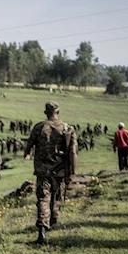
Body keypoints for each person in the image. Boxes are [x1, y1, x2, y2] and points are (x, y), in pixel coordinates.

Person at [24, 102, 77, 244]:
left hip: (43, 170)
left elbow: (29, 145)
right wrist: (72, 173)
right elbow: (72, 153)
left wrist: (27, 154)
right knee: (56, 196)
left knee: (43, 198)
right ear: (58, 112)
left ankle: (42, 228)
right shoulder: (68, 129)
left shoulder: (39, 127)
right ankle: (53, 222)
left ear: (45, 112)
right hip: (59, 170)